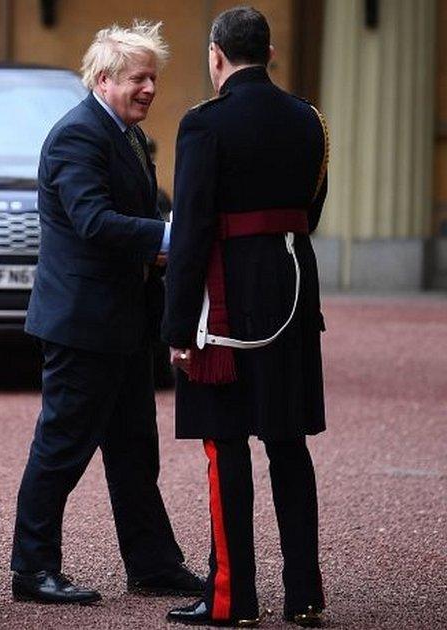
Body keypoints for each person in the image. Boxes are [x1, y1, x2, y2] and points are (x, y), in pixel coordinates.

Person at [9, 21, 203, 605]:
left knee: (134, 451)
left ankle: (151, 565)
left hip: (117, 323)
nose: (150, 89)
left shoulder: (121, 134)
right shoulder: (79, 136)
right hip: (83, 325)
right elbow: (93, 222)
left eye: (154, 79)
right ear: (103, 78)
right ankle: (32, 569)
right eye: (140, 78)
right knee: (61, 448)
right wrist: (174, 236)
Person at [162, 6, 328, 627]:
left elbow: (194, 229)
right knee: (288, 443)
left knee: (225, 444)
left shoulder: (204, 124)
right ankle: (304, 595)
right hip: (290, 291)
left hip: (225, 300)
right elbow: (311, 209)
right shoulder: (308, 120)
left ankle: (233, 597)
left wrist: (177, 327)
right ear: (270, 53)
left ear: (216, 55)